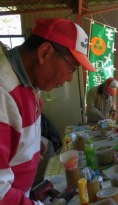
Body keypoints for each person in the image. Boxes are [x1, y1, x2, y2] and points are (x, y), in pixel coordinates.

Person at [0, 18, 96, 205]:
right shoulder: (3, 91)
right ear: (45, 52)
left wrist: (33, 144)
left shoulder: (31, 84)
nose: (69, 78)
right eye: (71, 68)